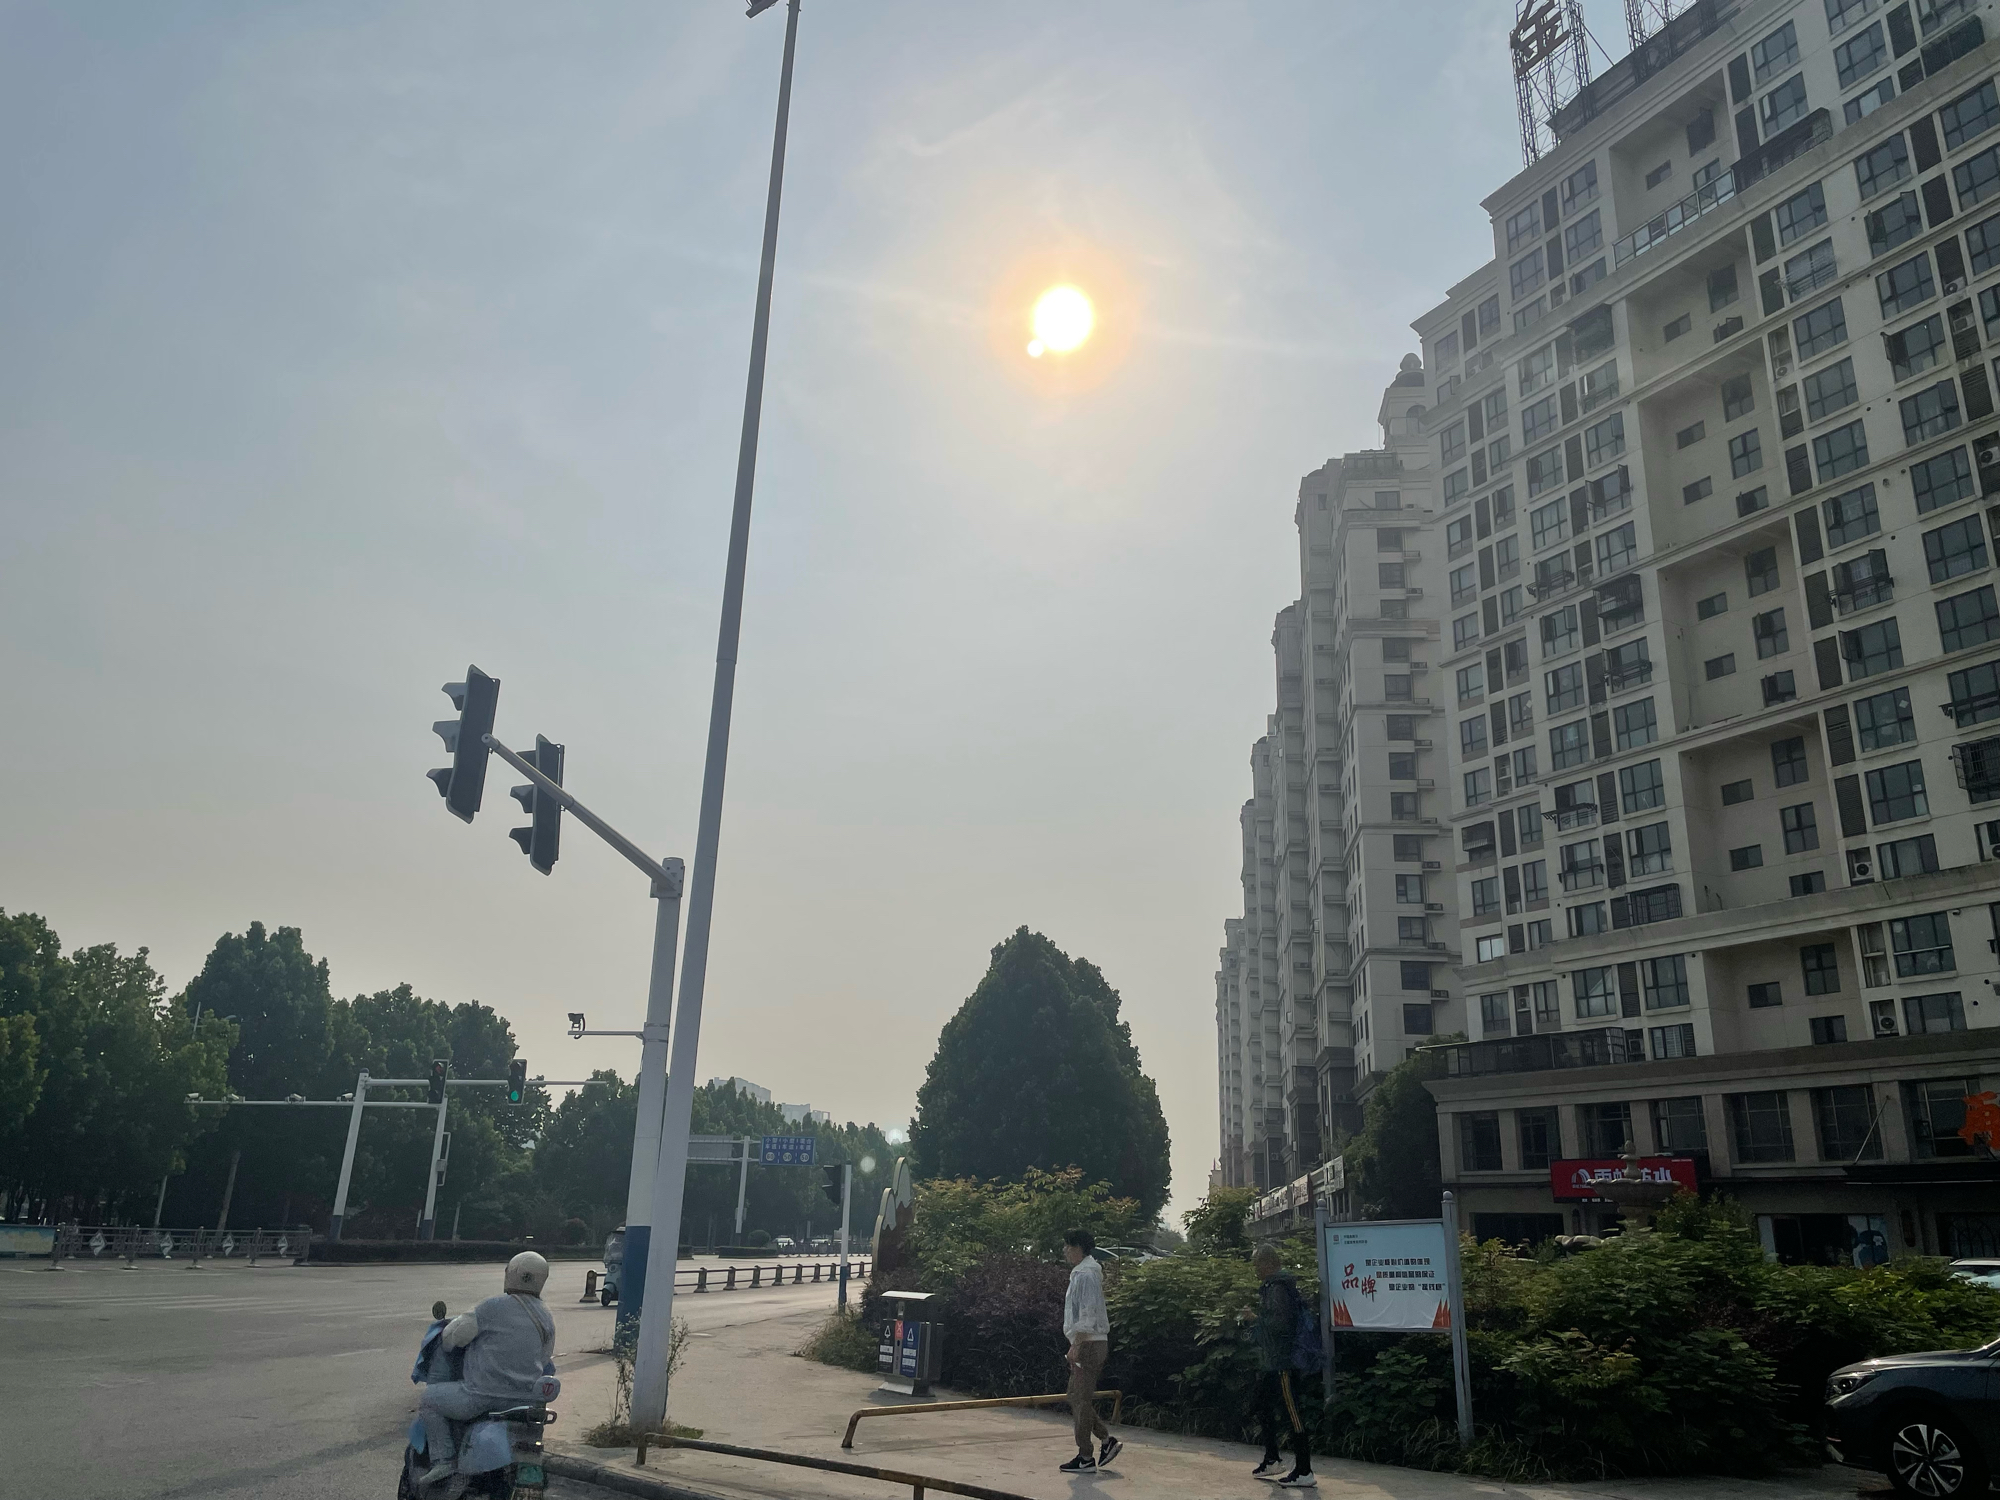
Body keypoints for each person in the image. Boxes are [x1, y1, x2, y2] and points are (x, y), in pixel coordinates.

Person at [416, 1251, 557, 1491]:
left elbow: (452, 1337)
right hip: (523, 1402)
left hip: (480, 1397)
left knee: (429, 1400)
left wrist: (449, 1334)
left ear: (512, 1274)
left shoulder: (492, 1306)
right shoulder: (546, 1316)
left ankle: (444, 1460)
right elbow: (544, 1358)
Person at [1242, 1245, 1315, 1488]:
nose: (1255, 1270)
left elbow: (1281, 1325)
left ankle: (1304, 1470)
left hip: (1283, 1362)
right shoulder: (1275, 1286)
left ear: (1268, 1264)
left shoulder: (1278, 1288)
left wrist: (1255, 1319)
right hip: (1272, 1362)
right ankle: (1272, 1459)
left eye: (1257, 1265)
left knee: (1293, 1414)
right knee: (1262, 1405)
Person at [1058, 1229, 1121, 1473]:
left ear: (1078, 1248)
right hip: (1089, 1342)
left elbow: (1088, 1312)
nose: (1065, 1250)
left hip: (1089, 1344)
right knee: (1075, 1396)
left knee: (1081, 1400)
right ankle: (1106, 1440)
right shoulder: (1083, 1272)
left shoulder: (1086, 1274)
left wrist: (1077, 1344)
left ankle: (1085, 1457)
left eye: (1068, 1246)